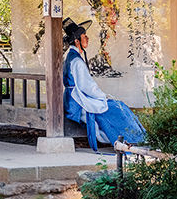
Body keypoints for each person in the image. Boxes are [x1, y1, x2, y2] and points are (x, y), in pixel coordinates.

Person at [62, 17, 147, 151]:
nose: (87, 38)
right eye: (84, 36)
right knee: (118, 108)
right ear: (77, 41)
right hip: (78, 102)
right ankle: (133, 140)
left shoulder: (72, 56)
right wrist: (101, 96)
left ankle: (133, 139)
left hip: (75, 99)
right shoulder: (76, 61)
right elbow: (86, 86)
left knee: (117, 106)